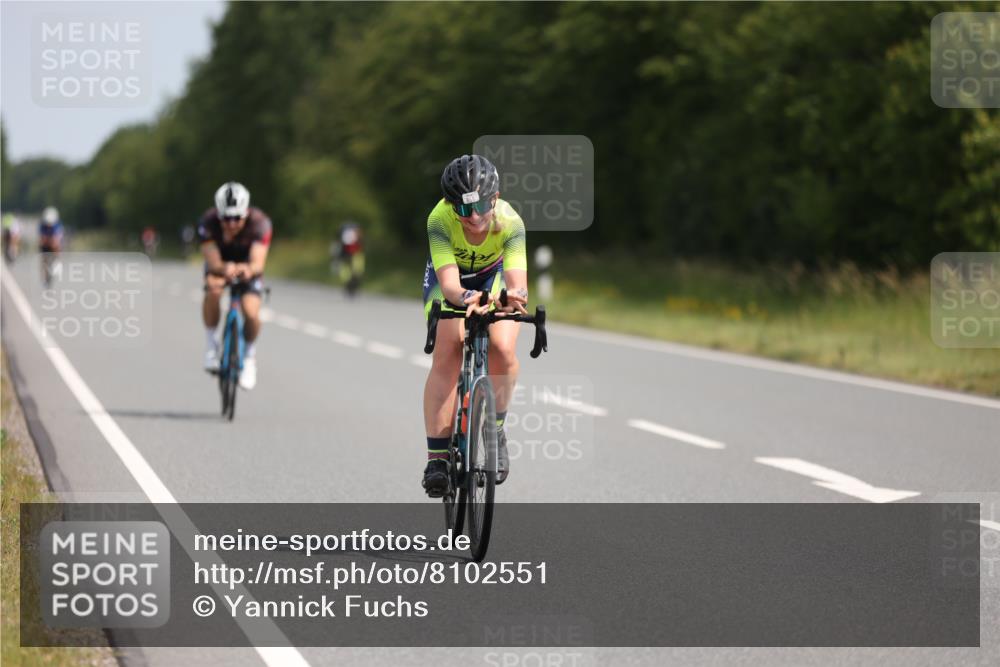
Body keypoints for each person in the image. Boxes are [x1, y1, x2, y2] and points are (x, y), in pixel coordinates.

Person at [421, 155, 529, 496]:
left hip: (493, 277)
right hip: (450, 278)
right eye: (463, 210)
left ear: (494, 198)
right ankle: (437, 457)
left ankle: (494, 430)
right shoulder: (439, 219)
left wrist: (511, 298)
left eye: (481, 206)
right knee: (448, 350)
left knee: (502, 347)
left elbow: (517, 283)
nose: (474, 217)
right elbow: (451, 287)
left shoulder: (511, 222)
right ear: (452, 206)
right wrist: (466, 298)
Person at [197, 182, 272, 390]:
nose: (231, 224)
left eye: (236, 218)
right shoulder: (208, 222)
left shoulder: (260, 223)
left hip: (247, 265)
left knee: (251, 310)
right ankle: (211, 345)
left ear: (246, 213)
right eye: (226, 218)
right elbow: (212, 261)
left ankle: (249, 357)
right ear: (218, 215)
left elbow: (258, 262)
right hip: (221, 263)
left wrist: (247, 270)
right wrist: (224, 268)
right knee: (213, 289)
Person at [335, 221, 365, 297]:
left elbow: (338, 245)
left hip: (348, 254)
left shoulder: (343, 234)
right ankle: (351, 288)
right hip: (353, 254)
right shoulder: (356, 234)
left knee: (349, 273)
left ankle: (350, 287)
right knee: (355, 272)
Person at [39, 206, 64, 287]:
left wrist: (54, 243)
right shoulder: (42, 225)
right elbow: (41, 239)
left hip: (54, 242)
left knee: (56, 244)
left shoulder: (58, 225)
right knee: (43, 259)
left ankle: (57, 261)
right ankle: (45, 276)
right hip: (46, 243)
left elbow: (58, 238)